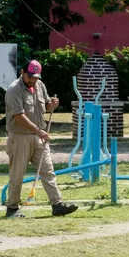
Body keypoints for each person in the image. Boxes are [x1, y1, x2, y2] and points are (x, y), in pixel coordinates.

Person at [4, 60, 79, 218]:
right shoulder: (13, 90)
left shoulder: (40, 85)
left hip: (39, 136)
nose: (33, 80)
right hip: (20, 137)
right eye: (30, 76)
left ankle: (57, 205)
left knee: (48, 171)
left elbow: (46, 107)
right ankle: (12, 208)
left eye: (36, 77)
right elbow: (18, 116)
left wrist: (53, 105)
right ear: (22, 72)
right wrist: (38, 131)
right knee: (17, 174)